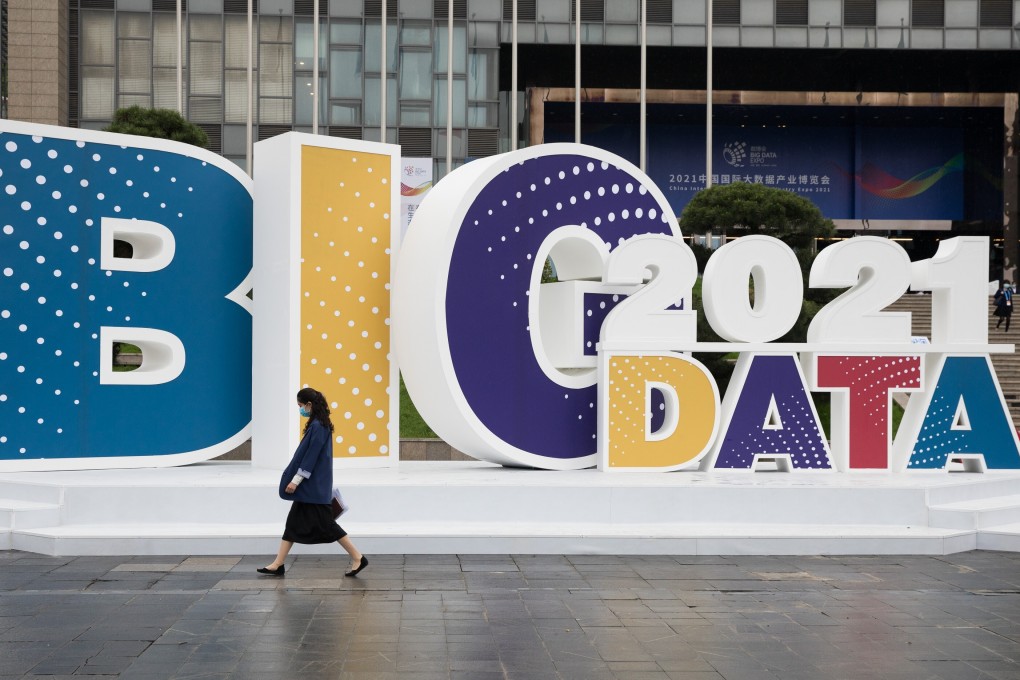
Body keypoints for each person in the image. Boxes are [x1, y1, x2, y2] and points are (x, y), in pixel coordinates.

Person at [258, 387, 368, 578]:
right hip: (312, 488)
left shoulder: (318, 426)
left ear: (309, 404)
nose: (300, 409)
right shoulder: (319, 424)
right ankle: (278, 564)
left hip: (312, 488)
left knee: (328, 526)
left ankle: (358, 557)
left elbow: (311, 457)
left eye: (300, 405)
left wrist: (295, 481)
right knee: (292, 525)